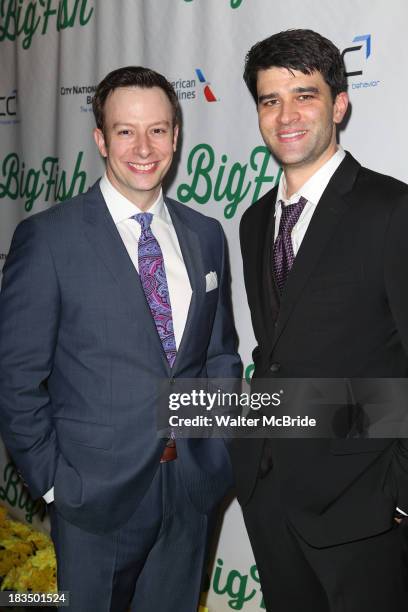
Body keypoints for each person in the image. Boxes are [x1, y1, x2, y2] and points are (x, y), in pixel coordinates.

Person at [0, 66, 242, 612]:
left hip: (191, 485)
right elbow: (15, 377)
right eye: (126, 131)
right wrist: (55, 482)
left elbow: (220, 352)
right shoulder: (49, 238)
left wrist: (221, 443)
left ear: (176, 137)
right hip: (94, 496)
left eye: (158, 129)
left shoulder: (205, 234)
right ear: (101, 138)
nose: (143, 147)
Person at [229, 29, 408, 612]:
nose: (286, 115)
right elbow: (273, 352)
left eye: (304, 95)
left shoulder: (391, 210)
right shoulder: (255, 221)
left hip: (364, 505)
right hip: (269, 492)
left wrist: (400, 494)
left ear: (339, 104)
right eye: (269, 99)